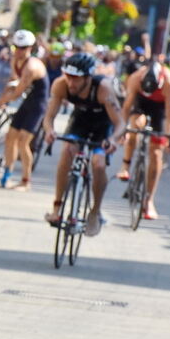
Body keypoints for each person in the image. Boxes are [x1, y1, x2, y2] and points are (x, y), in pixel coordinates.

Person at [42, 52, 124, 237]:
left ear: (88, 78)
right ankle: (57, 207)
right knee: (67, 151)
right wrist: (49, 130)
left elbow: (120, 123)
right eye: (69, 77)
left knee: (98, 164)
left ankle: (95, 211)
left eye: (76, 79)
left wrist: (112, 140)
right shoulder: (60, 85)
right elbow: (49, 117)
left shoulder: (103, 89)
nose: (71, 83)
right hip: (80, 122)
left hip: (103, 125)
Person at [0, 29, 47, 190]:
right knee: (10, 137)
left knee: (23, 141)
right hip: (28, 102)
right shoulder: (15, 60)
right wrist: (4, 97)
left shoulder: (31, 67)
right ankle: (6, 177)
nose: (19, 51)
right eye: (16, 47)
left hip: (38, 104)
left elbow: (17, 93)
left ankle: (26, 181)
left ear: (30, 48)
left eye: (23, 48)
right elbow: (13, 81)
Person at [119, 57, 170, 220]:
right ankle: (126, 165)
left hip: (159, 107)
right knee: (135, 124)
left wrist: (169, 137)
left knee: (157, 152)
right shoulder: (136, 78)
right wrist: (123, 131)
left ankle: (149, 200)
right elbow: (126, 108)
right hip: (141, 102)